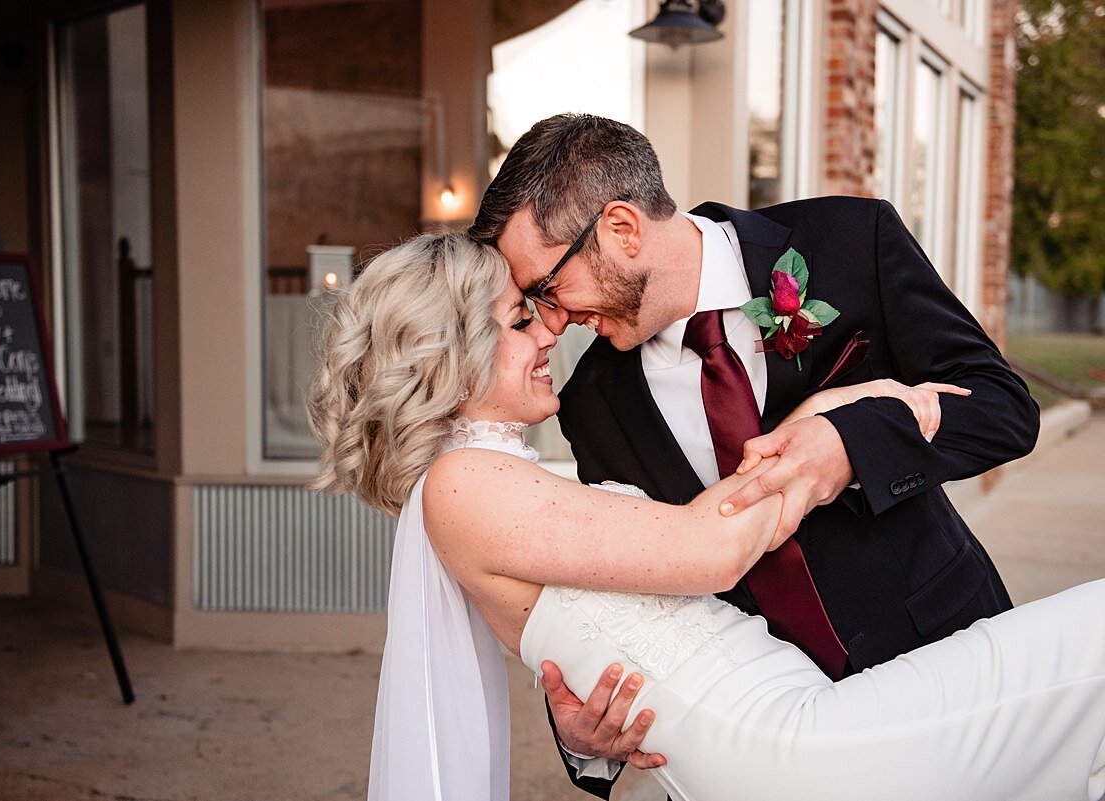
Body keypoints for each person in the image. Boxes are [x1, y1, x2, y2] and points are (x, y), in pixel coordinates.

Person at [306, 232, 1105, 801]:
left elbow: (668, 550)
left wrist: (837, 406)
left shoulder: (497, 478)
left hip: (806, 712)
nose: (549, 327)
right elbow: (712, 547)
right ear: (448, 356)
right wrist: (845, 421)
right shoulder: (463, 484)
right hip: (786, 741)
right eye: (520, 319)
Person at [466, 113, 1040, 794]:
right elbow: (629, 588)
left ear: (621, 228)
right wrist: (586, 739)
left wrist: (850, 443)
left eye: (547, 287)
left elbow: (1005, 408)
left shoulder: (853, 240)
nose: (552, 320)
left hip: (949, 655)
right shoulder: (592, 401)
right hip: (768, 741)